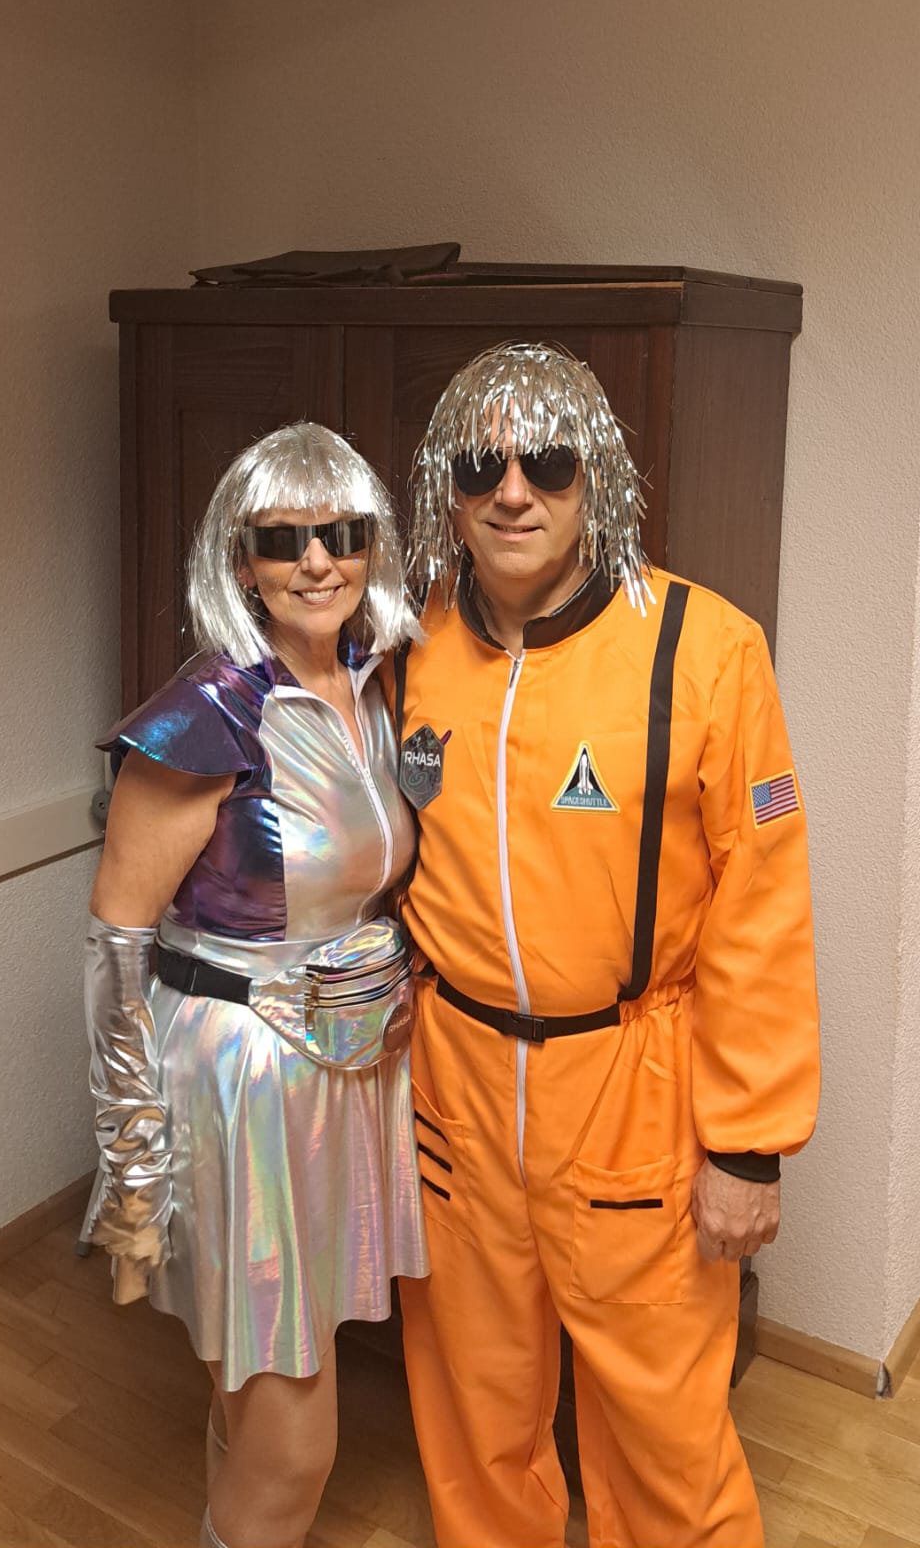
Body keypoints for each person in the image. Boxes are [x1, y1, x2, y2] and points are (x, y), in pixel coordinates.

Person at [394, 343, 820, 1548]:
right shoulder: (412, 645)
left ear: (598, 477)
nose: (512, 490)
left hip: (632, 1094)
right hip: (457, 1087)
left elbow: (763, 905)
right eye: (481, 464)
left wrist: (748, 1144)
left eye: (548, 460)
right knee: (473, 1417)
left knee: (665, 1439)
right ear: (447, 489)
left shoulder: (705, 649)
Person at [84, 423, 427, 1548]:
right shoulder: (211, 712)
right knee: (292, 1439)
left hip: (344, 1070)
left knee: (253, 1392)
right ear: (242, 560)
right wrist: (133, 1169)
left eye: (342, 533)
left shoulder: (373, 682)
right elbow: (117, 948)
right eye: (285, 540)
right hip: (242, 1084)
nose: (318, 561)